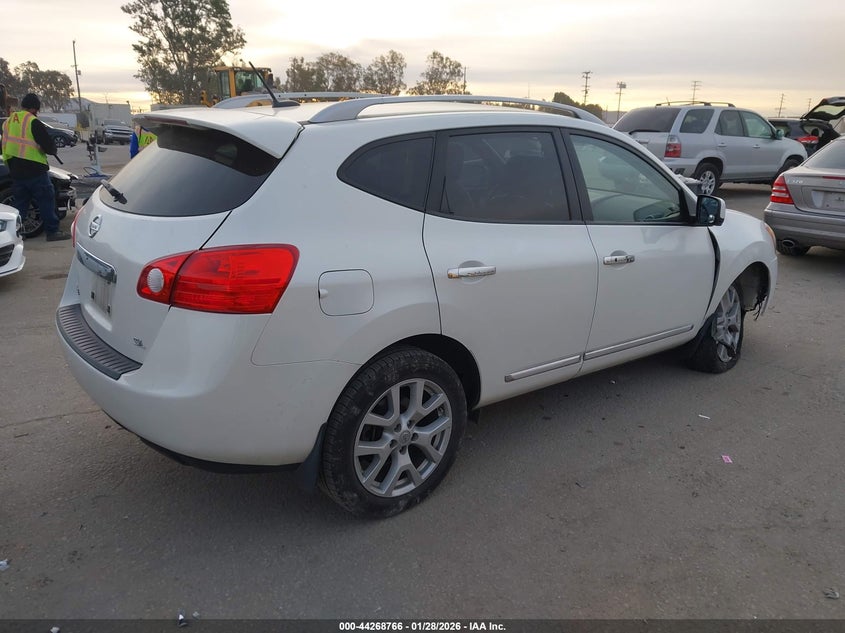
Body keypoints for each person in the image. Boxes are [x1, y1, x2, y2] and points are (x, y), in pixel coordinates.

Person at [0, 93, 70, 241]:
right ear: (34, 108)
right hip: (35, 170)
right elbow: (48, 146)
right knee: (46, 200)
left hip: (16, 171)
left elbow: (5, 145)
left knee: (20, 205)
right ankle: (53, 232)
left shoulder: (7, 122)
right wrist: (52, 149)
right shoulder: (32, 121)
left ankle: (13, 234)